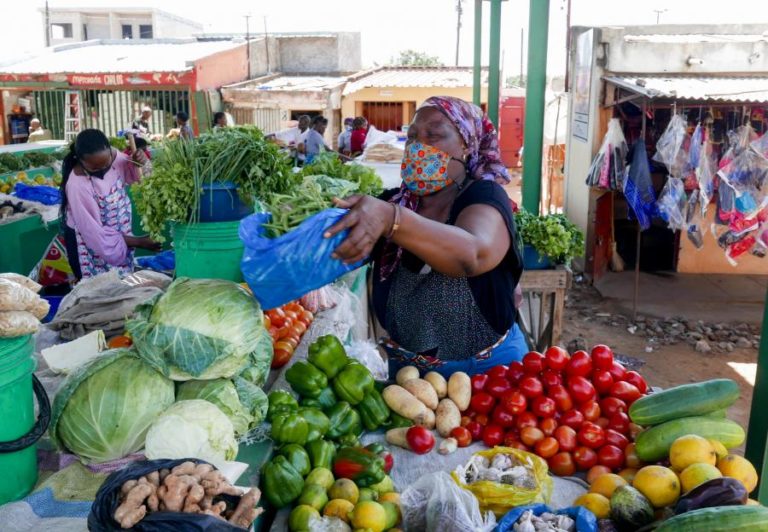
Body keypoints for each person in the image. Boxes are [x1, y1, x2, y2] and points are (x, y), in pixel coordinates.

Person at [325, 96, 527, 377]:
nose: (419, 146)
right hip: (410, 378)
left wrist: (393, 220)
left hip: (489, 374)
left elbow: (473, 253)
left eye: (434, 135)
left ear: (466, 145)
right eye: (412, 137)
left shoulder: (484, 195)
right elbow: (335, 243)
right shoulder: (395, 201)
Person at [59, 128, 160, 280]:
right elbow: (94, 234)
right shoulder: (77, 185)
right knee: (100, 295)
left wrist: (142, 162)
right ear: (80, 160)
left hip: (120, 242)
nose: (102, 169)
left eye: (105, 164)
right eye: (94, 167)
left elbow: (144, 179)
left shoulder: (114, 156)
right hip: (91, 247)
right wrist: (138, 242)